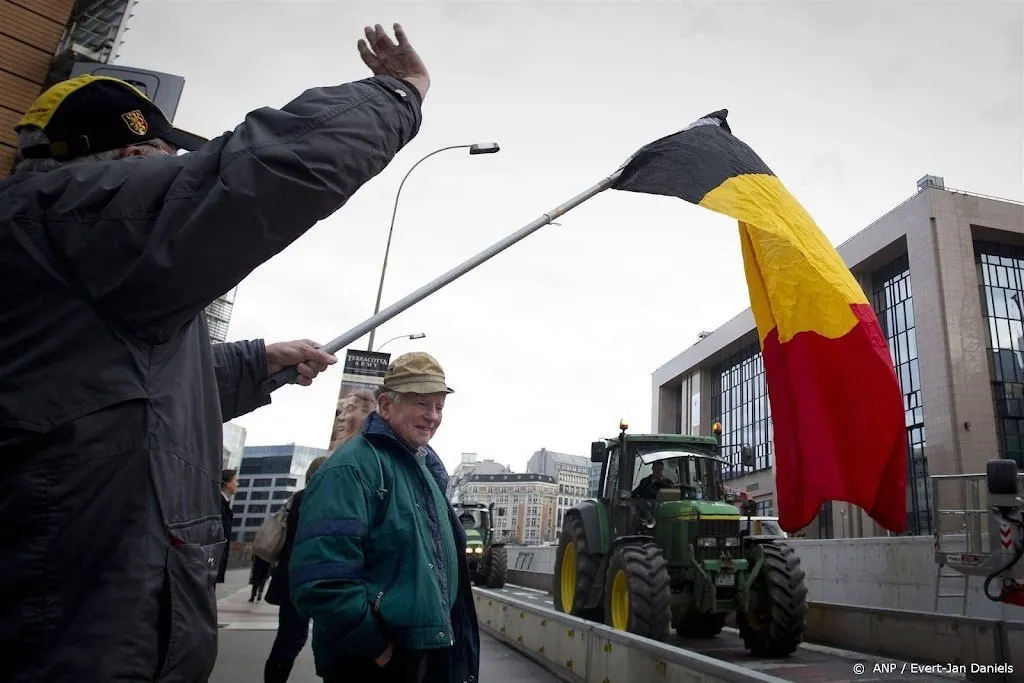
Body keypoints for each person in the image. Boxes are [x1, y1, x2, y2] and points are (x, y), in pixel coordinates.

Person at [0, 22, 430, 683]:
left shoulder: (61, 260)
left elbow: (122, 395)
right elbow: (263, 172)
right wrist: (398, 95)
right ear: (110, 161)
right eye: (157, 157)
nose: (170, 173)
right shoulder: (70, 217)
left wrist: (257, 361)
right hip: (76, 641)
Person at [291, 352, 479, 683]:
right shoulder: (353, 468)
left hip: (418, 652)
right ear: (386, 406)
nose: (432, 416)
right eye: (421, 403)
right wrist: (375, 647)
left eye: (438, 406)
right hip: (375, 662)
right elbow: (322, 579)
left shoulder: (420, 468)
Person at [262, 386, 374, 683]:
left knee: (288, 639)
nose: (342, 418)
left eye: (350, 411)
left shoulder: (300, 498)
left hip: (293, 581)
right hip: (312, 583)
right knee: (303, 642)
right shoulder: (322, 498)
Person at [219, 469, 240, 583]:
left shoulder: (224, 503)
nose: (237, 484)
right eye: (235, 481)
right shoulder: (219, 503)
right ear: (227, 483)